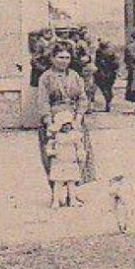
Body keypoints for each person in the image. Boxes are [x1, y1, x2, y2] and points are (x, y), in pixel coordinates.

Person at [37, 42, 94, 185]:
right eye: (60, 57)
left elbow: (82, 98)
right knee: (55, 156)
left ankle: (74, 190)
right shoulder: (46, 77)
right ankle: (57, 193)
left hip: (73, 119)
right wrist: (49, 122)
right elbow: (43, 101)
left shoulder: (74, 76)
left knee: (78, 154)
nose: (64, 61)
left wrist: (79, 117)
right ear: (52, 58)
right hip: (54, 120)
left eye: (67, 58)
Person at [92, 40, 119, 112]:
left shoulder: (100, 52)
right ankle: (108, 101)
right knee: (108, 88)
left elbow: (97, 62)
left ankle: (108, 101)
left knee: (105, 89)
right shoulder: (111, 52)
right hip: (108, 73)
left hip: (103, 73)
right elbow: (116, 64)